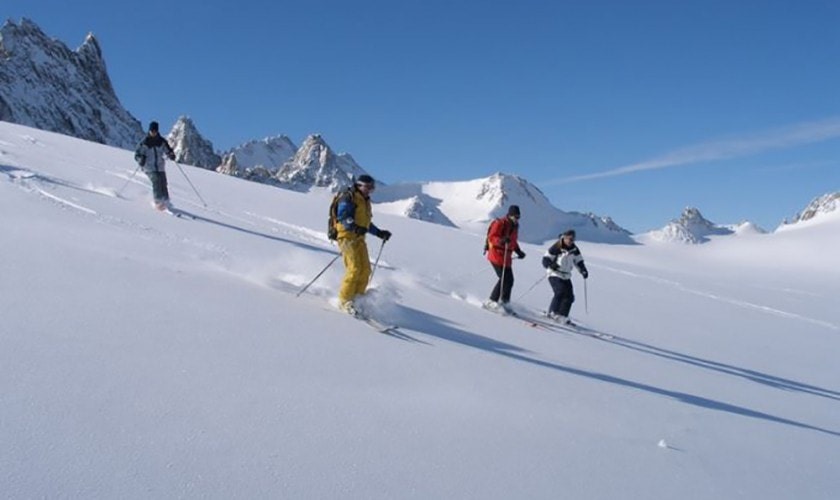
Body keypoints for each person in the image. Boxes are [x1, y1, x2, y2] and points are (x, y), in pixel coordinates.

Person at [333, 174, 392, 315]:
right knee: (354, 268)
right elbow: (342, 216)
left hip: (359, 238)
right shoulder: (349, 197)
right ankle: (344, 301)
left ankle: (357, 299)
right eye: (367, 187)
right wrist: (353, 227)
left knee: (365, 270)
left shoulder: (365, 201)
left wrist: (379, 233)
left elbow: (365, 223)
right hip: (346, 237)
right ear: (359, 185)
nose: (369, 190)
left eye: (372, 188)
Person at [542, 229, 589, 325]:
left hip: (566, 275)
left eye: (573, 239)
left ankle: (562, 316)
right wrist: (551, 265)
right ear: (565, 237)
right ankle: (552, 313)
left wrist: (583, 270)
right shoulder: (557, 246)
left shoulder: (574, 249)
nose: (571, 241)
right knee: (559, 292)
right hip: (554, 273)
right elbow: (545, 259)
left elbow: (579, 261)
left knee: (569, 296)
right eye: (570, 239)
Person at [483, 205, 525, 312]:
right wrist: (501, 240)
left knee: (510, 280)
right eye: (515, 216)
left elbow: (513, 241)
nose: (517, 219)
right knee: (504, 278)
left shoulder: (515, 226)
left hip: (506, 257)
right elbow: (492, 237)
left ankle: (505, 303)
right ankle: (491, 301)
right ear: (510, 215)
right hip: (496, 255)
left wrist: (519, 251)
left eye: (518, 217)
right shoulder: (500, 223)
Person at [134, 121, 176, 210]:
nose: (153, 132)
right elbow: (137, 155)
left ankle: (166, 201)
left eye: (155, 131)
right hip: (148, 167)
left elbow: (168, 150)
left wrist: (171, 154)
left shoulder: (162, 141)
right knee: (156, 181)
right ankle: (158, 202)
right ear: (149, 131)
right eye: (152, 131)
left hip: (160, 166)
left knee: (163, 183)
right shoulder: (145, 142)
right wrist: (140, 159)